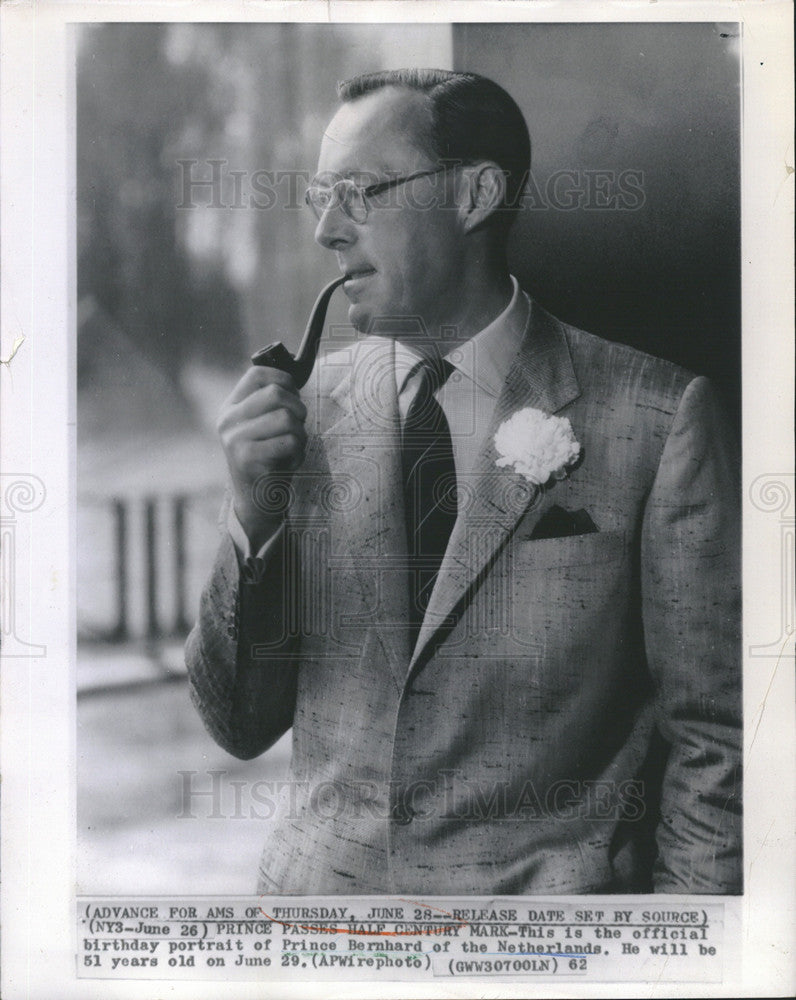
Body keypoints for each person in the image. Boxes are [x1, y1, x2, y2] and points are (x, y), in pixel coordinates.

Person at [186, 68, 741, 895]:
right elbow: (237, 725)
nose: (329, 231)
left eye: (360, 192)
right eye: (321, 198)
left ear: (476, 194)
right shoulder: (309, 411)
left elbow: (720, 740)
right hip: (319, 945)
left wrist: (673, 957)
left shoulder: (658, 420)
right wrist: (253, 513)